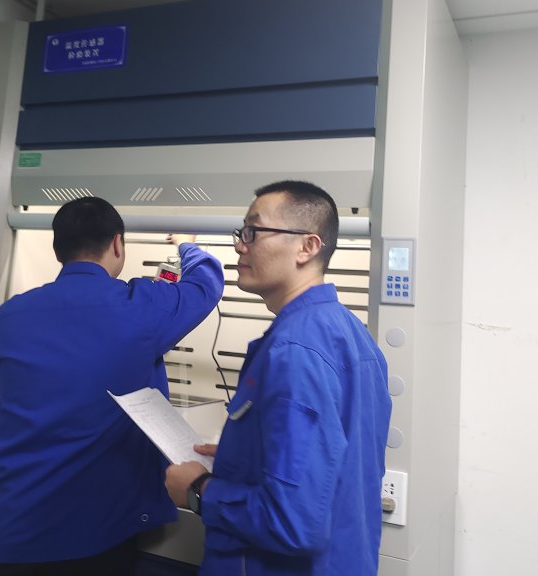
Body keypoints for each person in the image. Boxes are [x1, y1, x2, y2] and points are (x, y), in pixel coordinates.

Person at [0, 196, 224, 575]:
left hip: (4, 529)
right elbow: (206, 284)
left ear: (58, 249)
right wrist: (187, 245)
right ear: (117, 243)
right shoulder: (139, 306)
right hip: (87, 538)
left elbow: (1, 381)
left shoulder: (11, 313)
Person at [165, 180, 391, 576]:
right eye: (241, 232)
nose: (240, 245)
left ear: (307, 247)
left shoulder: (295, 351)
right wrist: (242, 455)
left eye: (254, 231)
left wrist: (199, 489)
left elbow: (292, 522)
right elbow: (332, 466)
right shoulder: (350, 335)